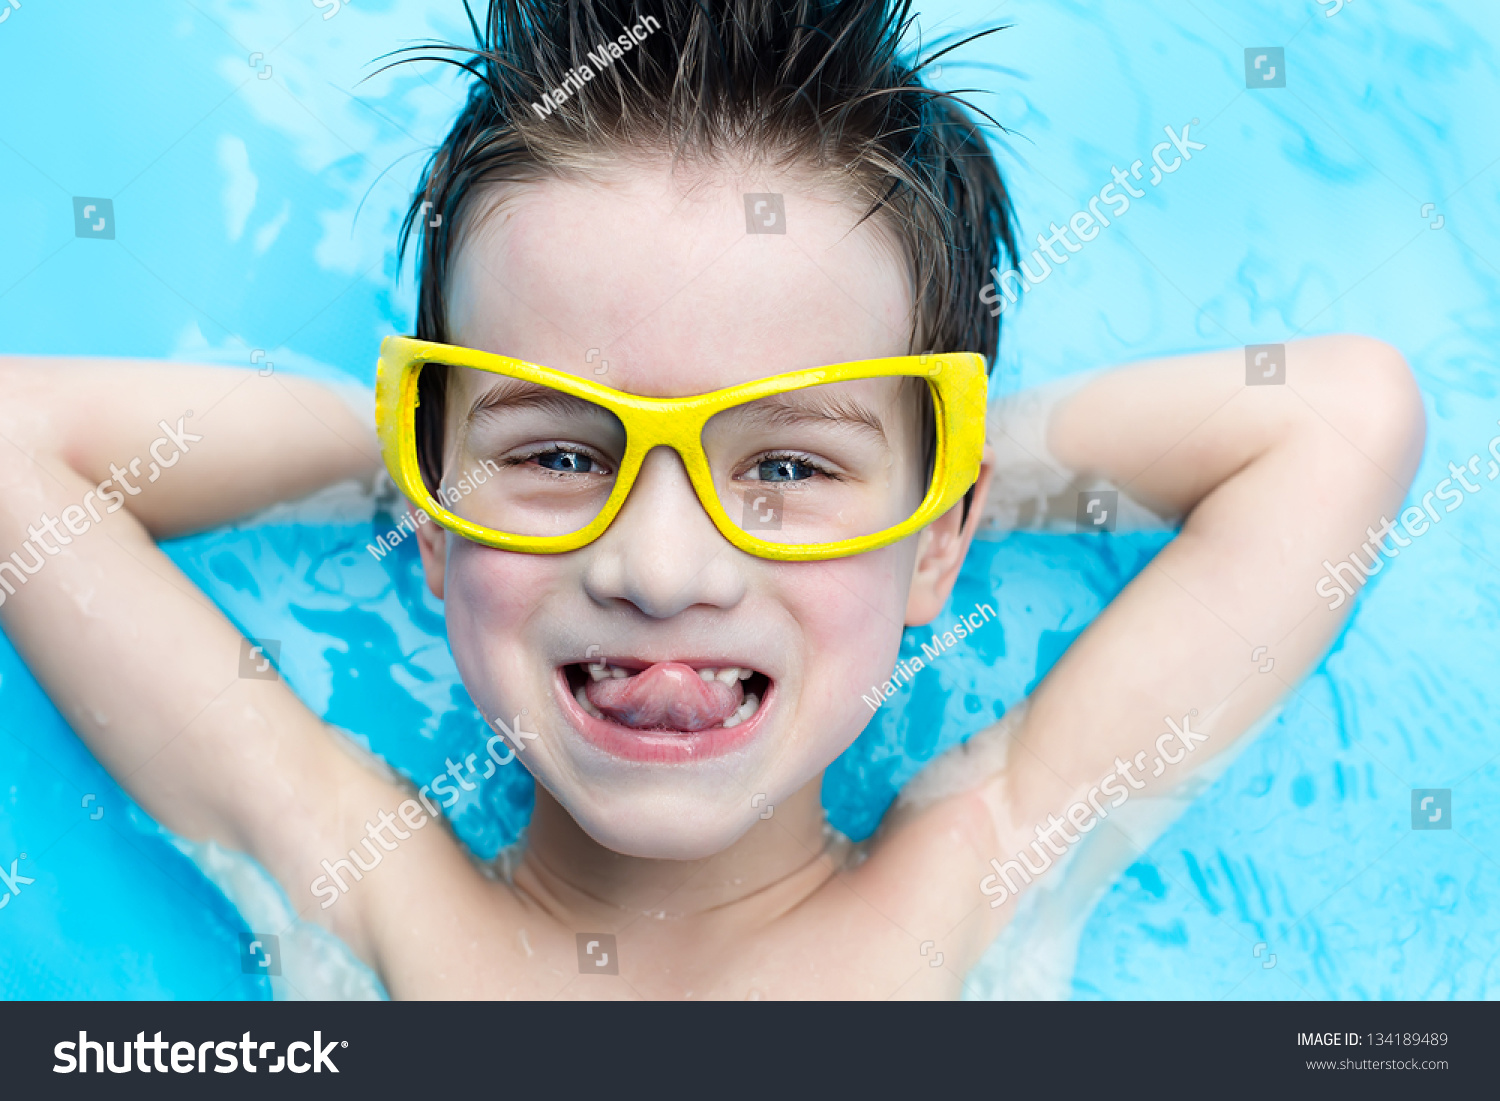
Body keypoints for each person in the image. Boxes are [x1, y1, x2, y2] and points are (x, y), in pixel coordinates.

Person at [0, 0, 1423, 998]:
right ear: (430, 509)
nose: (662, 565)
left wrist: (918, 463)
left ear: (944, 531)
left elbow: (1339, 420)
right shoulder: (371, 894)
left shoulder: (972, 881)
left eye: (786, 465)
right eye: (563, 454)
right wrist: (437, 462)